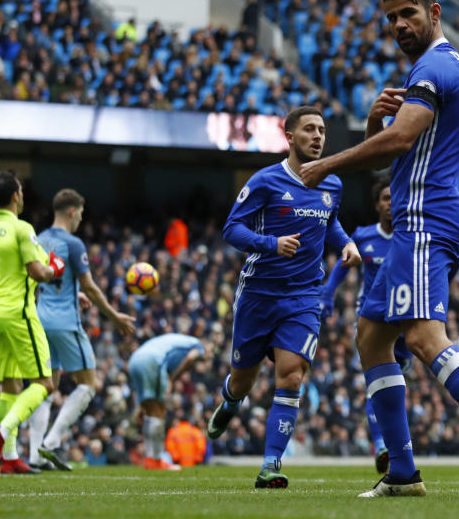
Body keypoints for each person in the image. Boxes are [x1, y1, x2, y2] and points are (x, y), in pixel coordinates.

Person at [298, 0, 459, 498]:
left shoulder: (434, 66)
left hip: (428, 219)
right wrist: (370, 127)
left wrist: (326, 166)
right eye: (389, 17)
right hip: (424, 214)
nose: (398, 25)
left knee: (423, 336)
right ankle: (403, 474)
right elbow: (395, 150)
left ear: (434, 12)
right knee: (371, 336)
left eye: (407, 13)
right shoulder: (426, 70)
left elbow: (401, 139)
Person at [207, 106, 360, 489]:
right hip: (259, 293)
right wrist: (270, 243)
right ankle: (230, 401)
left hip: (305, 296)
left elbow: (330, 221)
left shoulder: (332, 184)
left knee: (291, 376)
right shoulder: (265, 181)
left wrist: (346, 243)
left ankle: (270, 465)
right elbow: (231, 229)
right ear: (289, 137)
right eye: (309, 129)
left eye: (322, 130)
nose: (318, 136)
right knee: (243, 381)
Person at [28, 189, 136, 471]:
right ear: (72, 212)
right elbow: (89, 284)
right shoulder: (73, 243)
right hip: (65, 322)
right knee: (89, 384)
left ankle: (34, 454)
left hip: (40, 318)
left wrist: (72, 293)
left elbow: (43, 279)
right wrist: (114, 317)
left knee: (44, 388)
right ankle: (50, 443)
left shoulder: (39, 238)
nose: (81, 220)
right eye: (81, 214)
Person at [319, 176, 412, 474]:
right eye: (385, 198)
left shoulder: (410, 237)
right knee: (377, 385)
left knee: (394, 387)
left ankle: (392, 446)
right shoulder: (364, 235)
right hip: (372, 320)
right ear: (377, 205)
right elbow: (343, 266)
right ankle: (382, 446)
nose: (390, 204)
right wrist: (328, 294)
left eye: (394, 198)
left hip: (404, 320)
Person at [0, 170, 67, 474]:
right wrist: (55, 268)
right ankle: (0, 435)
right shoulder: (21, 228)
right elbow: (39, 272)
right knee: (44, 382)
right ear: (16, 195)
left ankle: (10, 458)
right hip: (18, 313)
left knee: (10, 383)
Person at [127, 333, 206, 471]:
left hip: (135, 360)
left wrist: (141, 406)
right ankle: (155, 460)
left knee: (150, 413)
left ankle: (150, 459)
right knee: (159, 412)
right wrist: (172, 379)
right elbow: (190, 358)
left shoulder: (178, 340)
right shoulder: (198, 345)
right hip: (153, 361)